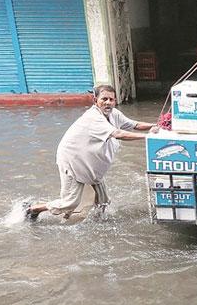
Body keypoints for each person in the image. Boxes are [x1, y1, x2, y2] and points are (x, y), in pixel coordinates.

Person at [25, 85, 157, 220]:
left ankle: (97, 221)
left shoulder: (114, 114)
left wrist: (157, 126)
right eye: (104, 99)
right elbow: (118, 134)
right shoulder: (93, 118)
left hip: (90, 163)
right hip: (73, 161)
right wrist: (148, 136)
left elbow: (134, 125)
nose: (108, 102)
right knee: (70, 203)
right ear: (95, 101)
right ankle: (33, 209)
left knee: (103, 201)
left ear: (115, 101)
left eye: (111, 99)